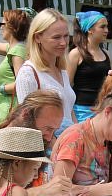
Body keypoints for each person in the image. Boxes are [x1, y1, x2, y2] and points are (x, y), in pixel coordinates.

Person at [15, 8, 76, 136]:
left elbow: (69, 111)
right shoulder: (28, 73)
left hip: (67, 146)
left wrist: (79, 138)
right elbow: (28, 122)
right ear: (37, 37)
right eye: (56, 37)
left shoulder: (62, 71)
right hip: (48, 148)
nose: (63, 43)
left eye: (66, 36)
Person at [67, 11, 112, 122]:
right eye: (102, 27)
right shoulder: (75, 54)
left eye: (107, 26)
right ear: (90, 30)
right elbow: (67, 86)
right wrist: (72, 116)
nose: (106, 30)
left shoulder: (107, 54)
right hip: (81, 112)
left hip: (103, 110)